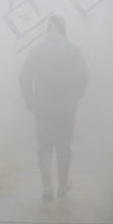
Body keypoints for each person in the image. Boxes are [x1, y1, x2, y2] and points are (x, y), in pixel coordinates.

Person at [20, 14, 89, 202]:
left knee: (44, 146)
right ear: (64, 29)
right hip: (66, 108)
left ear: (48, 30)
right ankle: (63, 185)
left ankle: (47, 188)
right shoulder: (75, 51)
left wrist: (30, 100)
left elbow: (24, 77)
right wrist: (77, 96)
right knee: (64, 147)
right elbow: (84, 76)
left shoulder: (36, 51)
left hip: (43, 108)